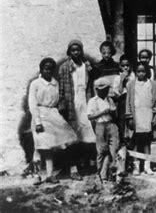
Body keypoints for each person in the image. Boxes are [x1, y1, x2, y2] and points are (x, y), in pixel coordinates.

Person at [29, 58, 78, 184]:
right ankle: (38, 174)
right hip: (40, 115)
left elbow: (57, 101)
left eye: (51, 69)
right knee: (42, 145)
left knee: (70, 138)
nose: (48, 71)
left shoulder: (55, 83)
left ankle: (73, 170)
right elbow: (33, 104)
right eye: (46, 68)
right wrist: (38, 122)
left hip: (53, 114)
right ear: (41, 69)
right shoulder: (36, 84)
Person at [58, 39, 96, 178]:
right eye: (73, 50)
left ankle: (86, 165)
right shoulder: (64, 67)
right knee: (73, 137)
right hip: (71, 103)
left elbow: (90, 86)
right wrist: (62, 106)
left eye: (78, 50)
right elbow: (62, 89)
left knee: (87, 135)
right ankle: (73, 169)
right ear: (69, 52)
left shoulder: (87, 66)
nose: (76, 52)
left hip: (84, 102)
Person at [126, 62, 156, 175]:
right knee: (135, 142)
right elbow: (128, 102)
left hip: (148, 115)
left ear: (147, 72)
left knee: (147, 142)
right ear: (135, 72)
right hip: (137, 115)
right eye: (138, 71)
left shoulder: (153, 85)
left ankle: (147, 165)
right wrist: (130, 116)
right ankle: (136, 165)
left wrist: (155, 117)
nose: (141, 74)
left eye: (143, 71)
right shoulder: (131, 85)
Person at [87, 78, 119, 183]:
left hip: (111, 124)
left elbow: (114, 114)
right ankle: (100, 174)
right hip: (100, 125)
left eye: (106, 89)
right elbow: (90, 116)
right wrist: (103, 112)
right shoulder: (93, 101)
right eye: (102, 89)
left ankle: (112, 174)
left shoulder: (109, 100)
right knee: (101, 151)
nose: (104, 91)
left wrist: (113, 112)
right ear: (97, 90)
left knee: (113, 150)